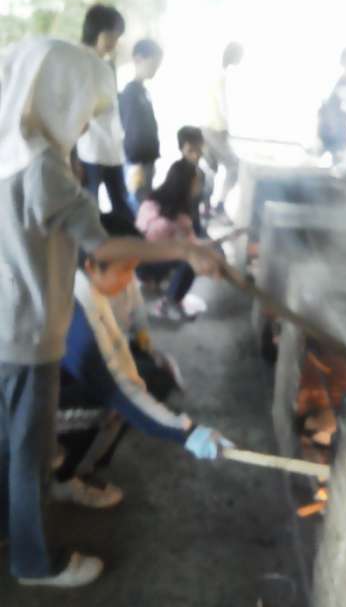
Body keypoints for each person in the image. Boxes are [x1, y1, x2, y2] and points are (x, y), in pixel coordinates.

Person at [0, 37, 224, 589]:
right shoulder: (43, 167)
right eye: (84, 110)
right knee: (31, 455)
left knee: (10, 444)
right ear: (59, 96)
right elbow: (101, 246)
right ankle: (35, 563)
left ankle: (11, 529)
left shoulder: (8, 148)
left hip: (5, 320)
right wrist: (184, 249)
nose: (84, 125)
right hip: (28, 332)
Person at [52, 213, 232, 508]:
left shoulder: (81, 282)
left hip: (56, 380)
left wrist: (147, 350)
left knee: (141, 384)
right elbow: (118, 388)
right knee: (112, 406)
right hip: (23, 404)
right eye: (124, 270)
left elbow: (120, 353)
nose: (129, 280)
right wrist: (186, 432)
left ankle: (66, 461)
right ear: (91, 266)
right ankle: (65, 479)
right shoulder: (77, 313)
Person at [77, 4, 133, 221]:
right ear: (98, 32)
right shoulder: (79, 60)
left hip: (111, 149)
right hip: (89, 151)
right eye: (113, 35)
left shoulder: (104, 64)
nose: (115, 42)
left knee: (122, 207)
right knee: (89, 211)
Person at [136, 159, 204, 320]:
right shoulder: (180, 216)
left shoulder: (150, 200)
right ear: (187, 184)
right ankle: (169, 302)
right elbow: (193, 246)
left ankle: (152, 280)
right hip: (150, 262)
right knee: (192, 260)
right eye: (196, 182)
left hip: (135, 262)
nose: (199, 186)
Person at [202, 41, 244, 220]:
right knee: (234, 166)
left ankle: (206, 208)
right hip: (215, 129)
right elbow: (224, 106)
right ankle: (218, 205)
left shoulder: (218, 73)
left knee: (210, 169)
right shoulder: (224, 75)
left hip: (208, 127)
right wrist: (229, 127)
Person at [119, 39, 163, 208]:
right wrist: (135, 159)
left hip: (148, 158)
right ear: (138, 59)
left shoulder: (143, 91)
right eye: (153, 64)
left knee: (144, 201)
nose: (155, 69)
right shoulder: (130, 93)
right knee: (138, 203)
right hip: (136, 160)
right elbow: (130, 129)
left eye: (157, 65)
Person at [318, 45, 346, 164]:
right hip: (328, 132)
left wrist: (343, 101)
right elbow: (327, 106)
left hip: (341, 134)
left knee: (339, 161)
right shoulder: (340, 80)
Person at [177, 125, 209, 238]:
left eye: (199, 150)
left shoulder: (202, 174)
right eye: (190, 151)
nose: (195, 155)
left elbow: (200, 208)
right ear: (181, 149)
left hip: (195, 228)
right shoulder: (176, 175)